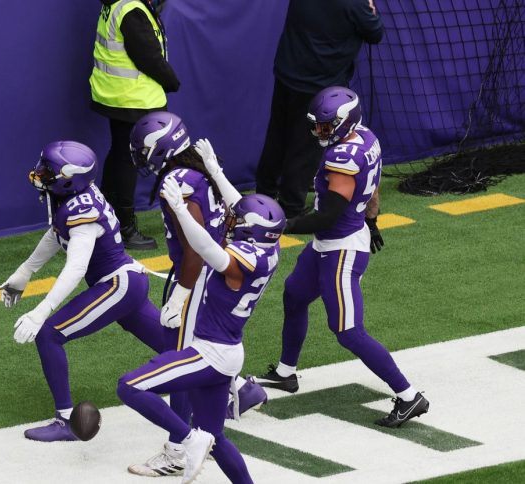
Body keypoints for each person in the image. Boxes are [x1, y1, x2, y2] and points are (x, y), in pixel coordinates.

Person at [254, 86, 429, 428]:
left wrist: (281, 225)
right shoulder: (365, 138)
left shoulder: (342, 157)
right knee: (295, 295)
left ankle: (409, 397)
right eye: (317, 125)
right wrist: (372, 218)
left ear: (343, 121)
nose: (319, 131)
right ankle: (286, 372)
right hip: (329, 243)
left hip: (341, 249)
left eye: (324, 125)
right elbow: (373, 186)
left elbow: (327, 216)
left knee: (348, 331)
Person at [126, 111, 267, 477]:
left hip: (200, 274)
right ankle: (239, 389)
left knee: (182, 357)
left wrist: (181, 293)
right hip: (210, 270)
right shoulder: (196, 170)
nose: (141, 157)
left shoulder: (178, 180)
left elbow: (193, 247)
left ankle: (179, 448)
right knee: (186, 356)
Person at [0, 141, 165, 441]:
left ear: (69, 178)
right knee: (174, 347)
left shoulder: (82, 214)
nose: (40, 173)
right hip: (127, 282)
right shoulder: (73, 196)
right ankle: (239, 388)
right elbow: (56, 233)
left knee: (48, 333)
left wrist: (41, 311)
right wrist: (25, 272)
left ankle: (66, 421)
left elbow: (75, 268)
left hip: (117, 285)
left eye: (48, 171)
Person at [255, 0, 383, 218]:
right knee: (305, 148)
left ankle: (264, 194)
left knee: (277, 137)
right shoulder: (356, 3)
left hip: (288, 73)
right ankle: (291, 207)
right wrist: (371, 10)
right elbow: (375, 33)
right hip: (320, 84)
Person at [90, 0, 180, 249]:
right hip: (134, 98)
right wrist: (171, 81)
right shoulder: (132, 10)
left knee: (120, 154)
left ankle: (106, 215)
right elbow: (148, 57)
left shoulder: (119, 4)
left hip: (116, 95)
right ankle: (125, 226)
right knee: (129, 159)